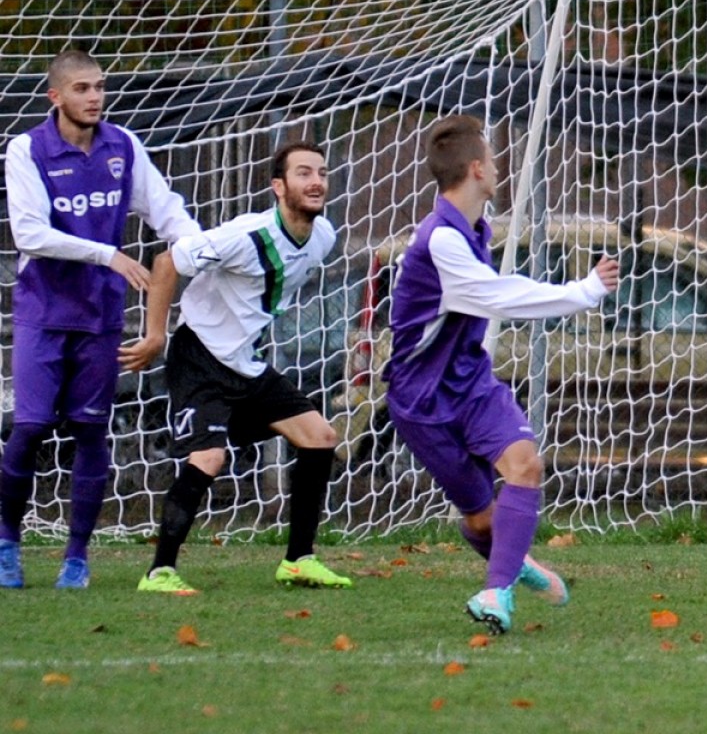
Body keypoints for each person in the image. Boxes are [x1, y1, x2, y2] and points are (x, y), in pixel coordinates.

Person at [383, 115, 619, 635]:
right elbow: (501, 296)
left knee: (526, 465)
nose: (498, 168)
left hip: (471, 383)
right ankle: (514, 565)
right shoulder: (440, 240)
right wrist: (581, 292)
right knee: (483, 521)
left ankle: (496, 592)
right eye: (491, 160)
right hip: (420, 401)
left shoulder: (474, 230)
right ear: (476, 170)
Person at [1, 50, 202, 590]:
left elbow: (167, 211)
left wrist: (198, 249)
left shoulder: (123, 146)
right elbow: (29, 234)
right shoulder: (27, 150)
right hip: (43, 311)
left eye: (100, 87)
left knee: (92, 428)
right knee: (31, 426)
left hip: (100, 315)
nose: (95, 97)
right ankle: (6, 542)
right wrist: (106, 254)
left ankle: (76, 558)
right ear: (56, 96)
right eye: (83, 88)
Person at [134, 141, 350, 594]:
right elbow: (167, 261)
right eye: (303, 173)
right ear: (278, 186)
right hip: (199, 358)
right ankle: (159, 572)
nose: (316, 182)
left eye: (322, 174)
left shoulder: (324, 235)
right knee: (209, 458)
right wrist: (155, 335)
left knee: (321, 438)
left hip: (245, 364)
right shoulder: (246, 235)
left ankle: (298, 560)